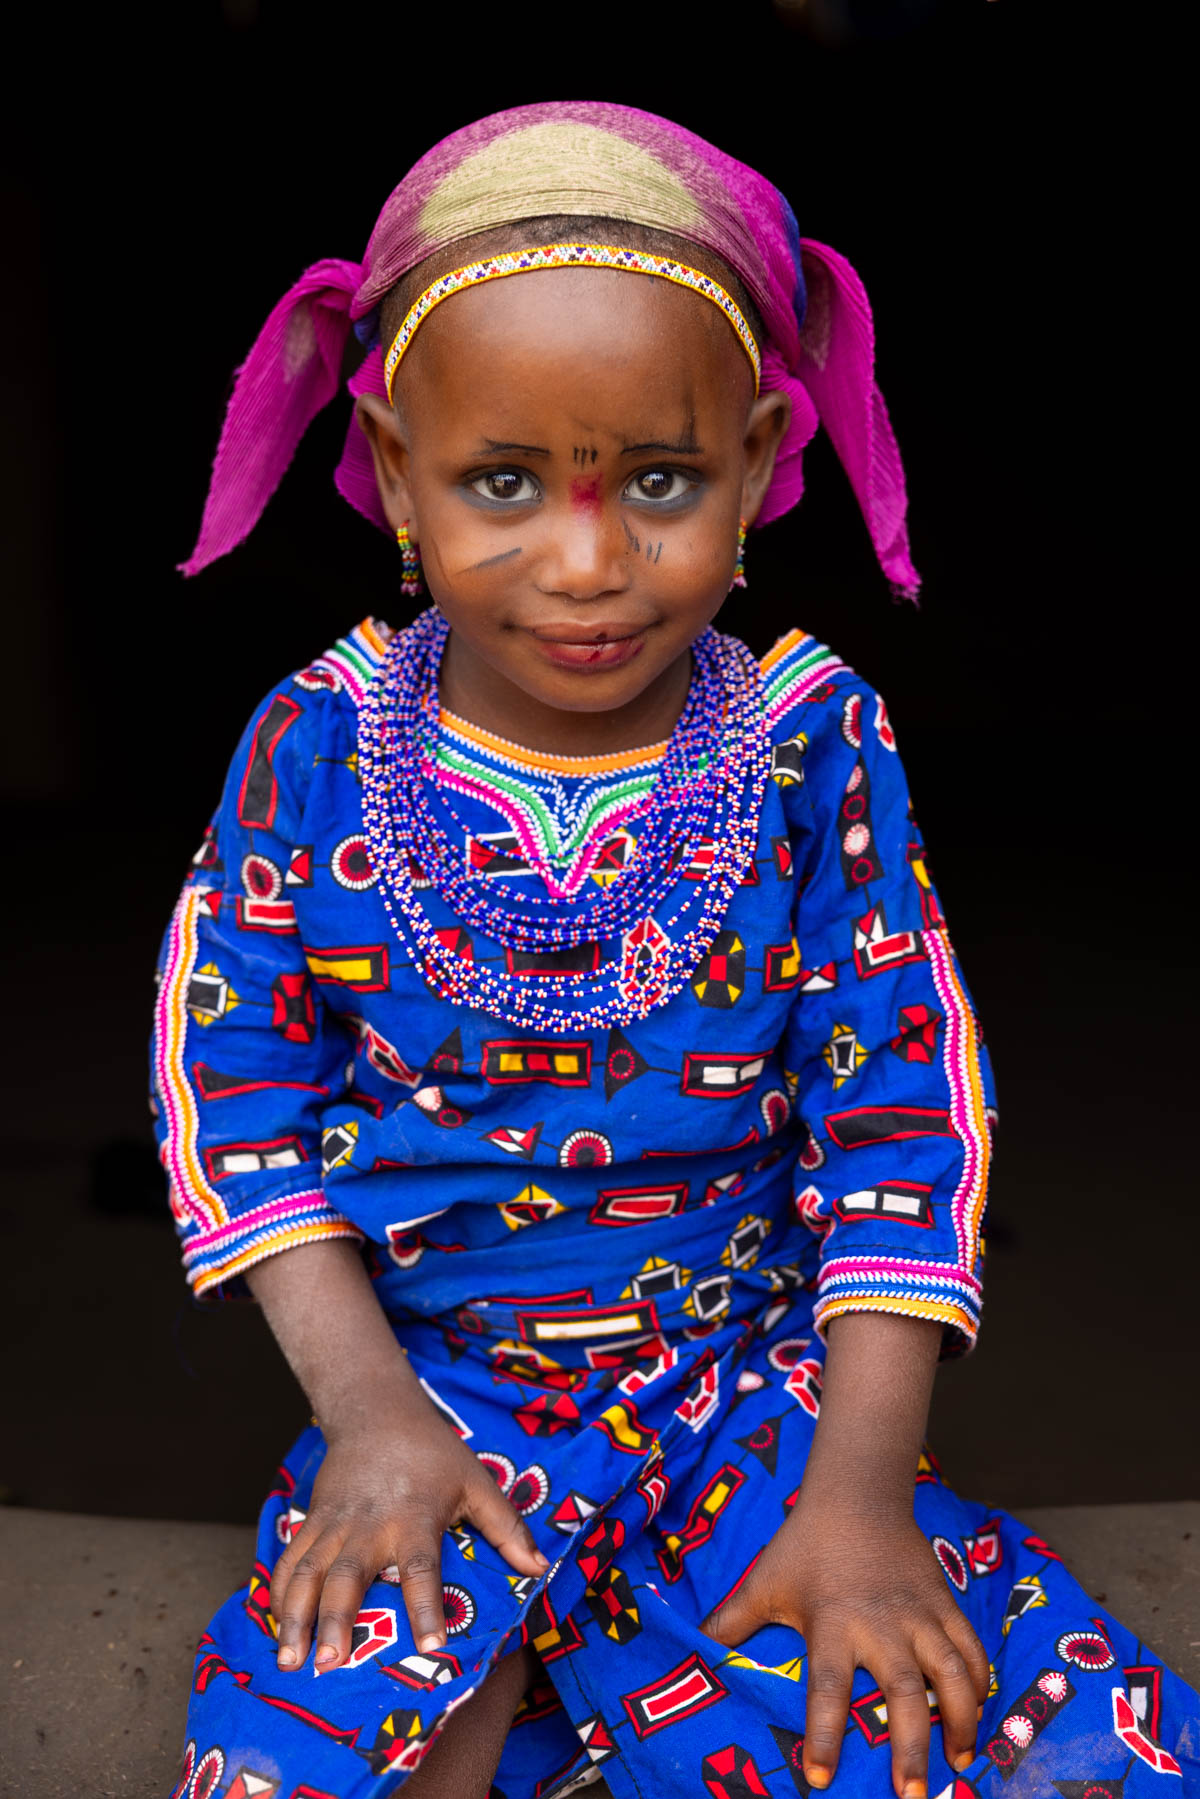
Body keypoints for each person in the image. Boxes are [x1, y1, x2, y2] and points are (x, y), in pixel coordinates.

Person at [152, 100, 1197, 1799]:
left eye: (658, 480)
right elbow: (230, 1088)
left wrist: (860, 1500)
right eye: (502, 483)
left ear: (765, 452)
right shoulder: (316, 745)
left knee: (951, 1718)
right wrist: (369, 1418)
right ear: (394, 462)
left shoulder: (810, 745)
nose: (588, 565)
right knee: (347, 1738)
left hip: (760, 1398)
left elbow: (904, 1120)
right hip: (441, 1398)